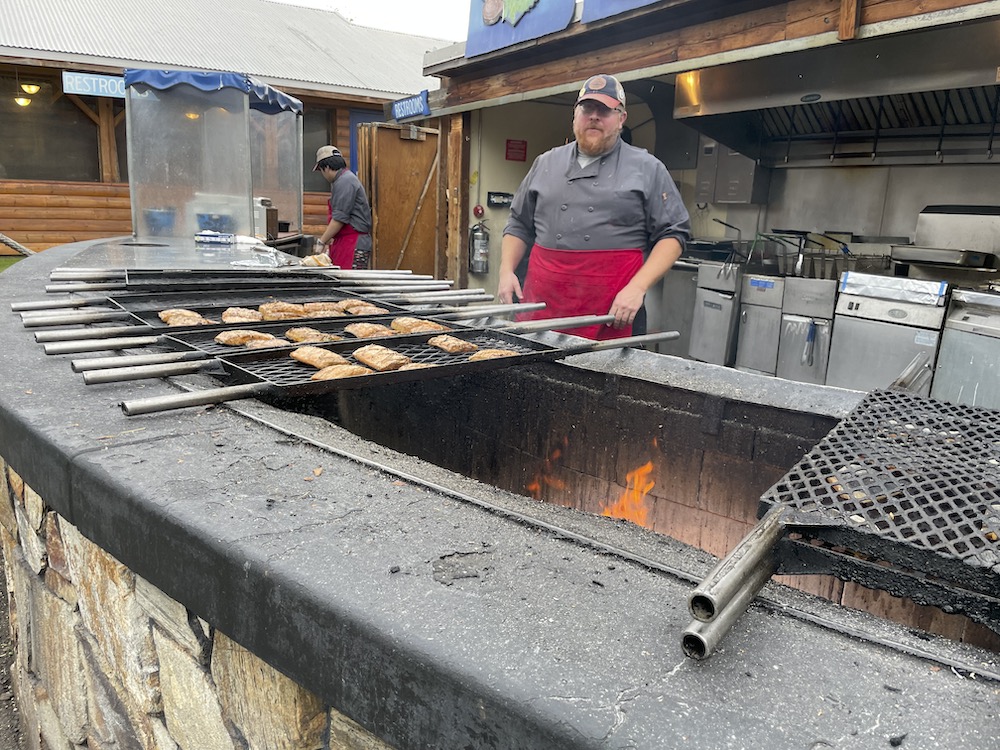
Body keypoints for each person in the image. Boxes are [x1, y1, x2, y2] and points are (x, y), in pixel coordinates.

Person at [498, 74, 691, 340]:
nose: (594, 117)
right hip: (544, 303)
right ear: (575, 115)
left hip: (612, 310)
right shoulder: (545, 163)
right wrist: (506, 271)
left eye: (605, 110)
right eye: (587, 109)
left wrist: (637, 288)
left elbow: (674, 234)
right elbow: (518, 224)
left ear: (621, 118)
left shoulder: (647, 168)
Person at [313, 145, 373, 269]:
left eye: (321, 171)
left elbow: (339, 219)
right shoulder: (343, 180)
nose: (323, 175)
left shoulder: (345, 181)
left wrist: (321, 241)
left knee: (352, 284)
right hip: (344, 242)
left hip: (353, 243)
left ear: (327, 167)